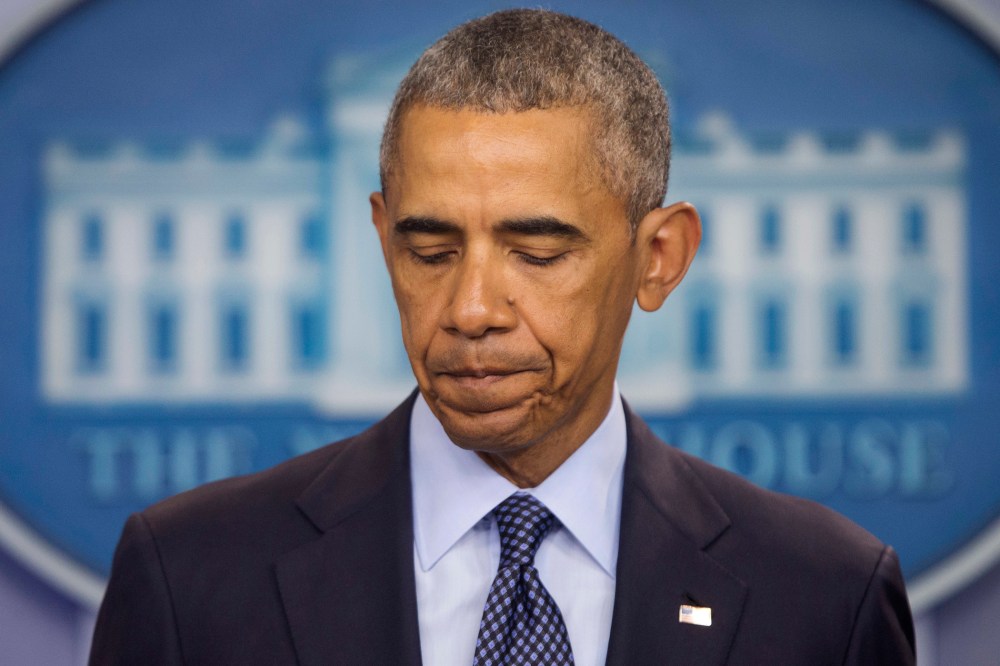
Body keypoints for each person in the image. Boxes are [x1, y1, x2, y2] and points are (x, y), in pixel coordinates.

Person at [90, 9, 915, 665]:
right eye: (430, 250)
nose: (472, 307)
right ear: (383, 241)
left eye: (538, 252)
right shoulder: (187, 577)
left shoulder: (823, 596)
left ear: (658, 259)